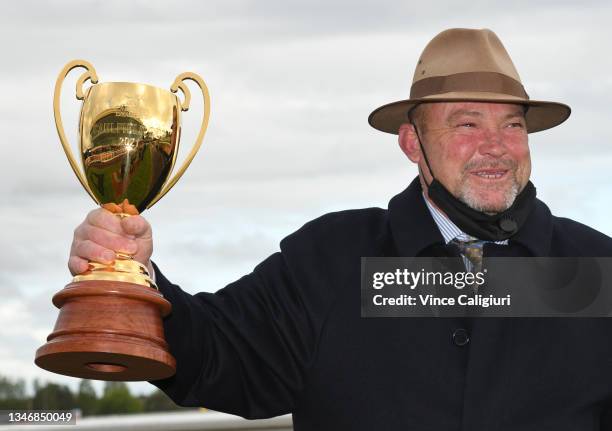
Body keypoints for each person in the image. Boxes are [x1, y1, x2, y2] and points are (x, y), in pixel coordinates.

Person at [68, 29, 612, 429]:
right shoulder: (331, 258)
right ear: (412, 144)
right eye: (467, 124)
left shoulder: (594, 269)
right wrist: (132, 282)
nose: (495, 146)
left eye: (512, 125)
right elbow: (220, 354)